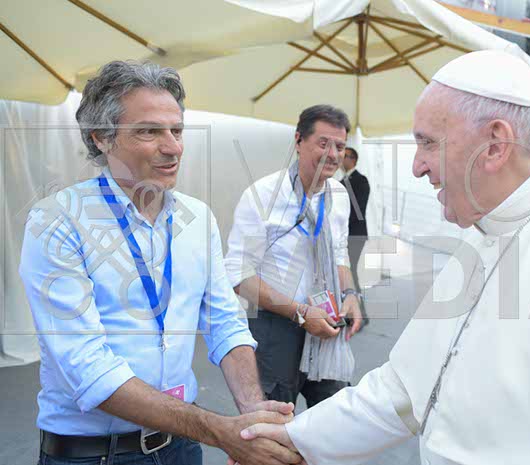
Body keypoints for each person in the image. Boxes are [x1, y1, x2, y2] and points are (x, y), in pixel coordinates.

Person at [235, 50, 530, 464]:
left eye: (428, 143)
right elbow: (403, 390)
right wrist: (290, 437)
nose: (417, 165)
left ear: (495, 144)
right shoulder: (485, 233)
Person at [19, 61, 300, 465]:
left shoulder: (197, 217)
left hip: (181, 446)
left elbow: (225, 321)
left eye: (177, 130)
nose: (173, 147)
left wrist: (252, 413)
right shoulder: (57, 221)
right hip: (97, 455)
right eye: (149, 131)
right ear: (101, 137)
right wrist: (220, 432)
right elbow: (87, 368)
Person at [224, 105, 363, 410]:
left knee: (334, 419)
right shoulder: (263, 195)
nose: (333, 155)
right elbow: (238, 274)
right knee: (275, 423)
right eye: (323, 143)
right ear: (299, 141)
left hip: (327, 324)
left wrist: (351, 294)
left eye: (340, 146)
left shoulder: (339, 195)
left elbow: (339, 253)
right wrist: (300, 313)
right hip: (275, 329)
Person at [341, 147, 371, 324]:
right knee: (346, 272)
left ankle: (361, 314)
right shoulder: (340, 182)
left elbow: (357, 210)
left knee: (350, 272)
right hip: (344, 235)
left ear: (353, 159)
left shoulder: (361, 181)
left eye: (344, 155)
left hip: (355, 234)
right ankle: (352, 313)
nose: (340, 158)